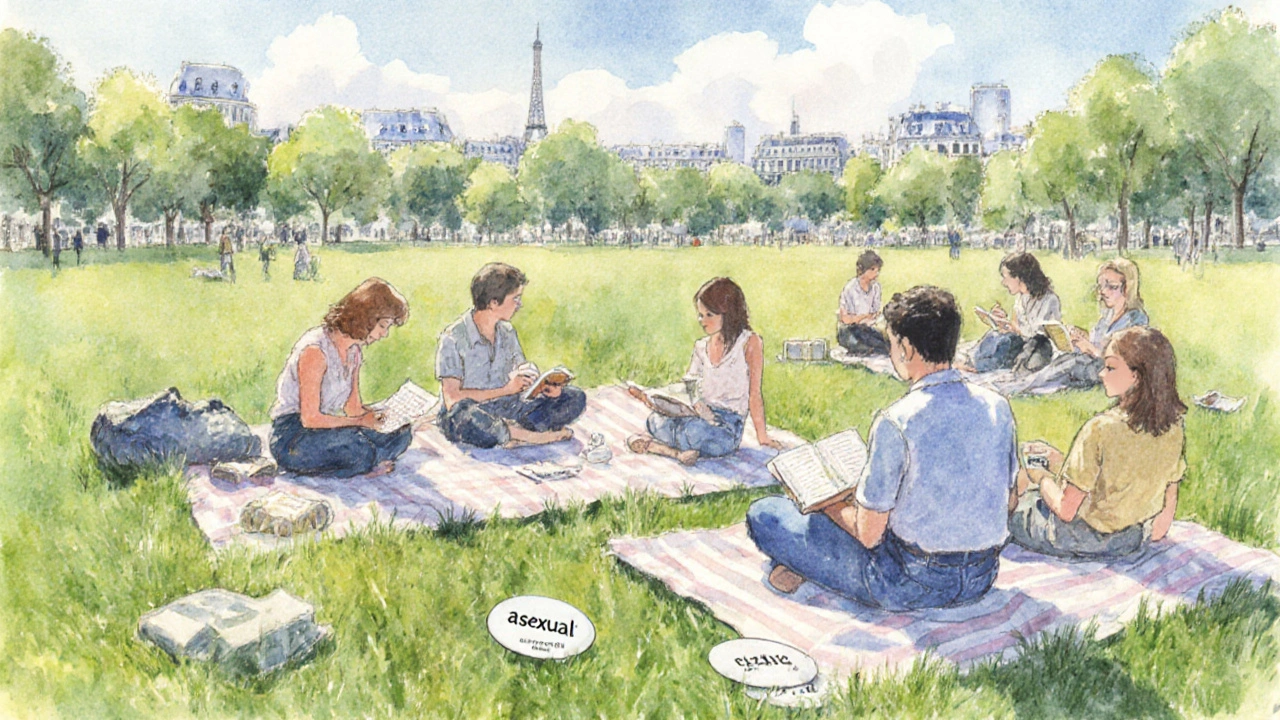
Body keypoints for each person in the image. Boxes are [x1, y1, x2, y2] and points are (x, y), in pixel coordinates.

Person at [746, 286, 1018, 610]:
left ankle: (803, 566)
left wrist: (826, 504)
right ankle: (805, 565)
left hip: (908, 583)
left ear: (905, 348)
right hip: (982, 577)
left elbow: (869, 535)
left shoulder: (898, 421)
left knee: (765, 514)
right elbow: (1010, 500)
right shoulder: (998, 407)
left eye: (891, 344)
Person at [1010, 327, 1185, 558]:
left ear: (1137, 376)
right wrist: (1060, 463)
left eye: (1111, 367)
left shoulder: (1100, 429)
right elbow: (1162, 515)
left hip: (1076, 537)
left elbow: (1066, 510)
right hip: (1130, 538)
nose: (1101, 374)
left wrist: (1040, 477)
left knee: (1022, 487)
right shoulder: (1173, 427)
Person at [626, 277, 783, 465]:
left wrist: (762, 437)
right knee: (655, 421)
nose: (702, 321)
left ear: (728, 313)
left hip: (727, 425)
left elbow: (755, 394)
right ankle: (680, 449)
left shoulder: (749, 342)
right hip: (697, 414)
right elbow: (690, 387)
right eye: (700, 315)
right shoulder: (701, 347)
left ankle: (666, 449)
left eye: (709, 315)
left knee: (694, 432)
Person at [268, 278, 413, 478]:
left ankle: (367, 461)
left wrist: (386, 415)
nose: (384, 334)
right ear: (367, 318)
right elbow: (310, 418)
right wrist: (362, 421)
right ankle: (367, 462)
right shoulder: (316, 350)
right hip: (294, 434)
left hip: (324, 429)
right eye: (383, 326)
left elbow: (353, 408)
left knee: (401, 434)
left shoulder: (354, 352)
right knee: (357, 448)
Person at [436, 263, 586, 449]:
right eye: (515, 298)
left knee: (574, 397)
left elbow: (520, 378)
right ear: (493, 302)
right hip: (474, 412)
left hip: (508, 407)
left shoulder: (507, 332)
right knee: (462, 415)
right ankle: (531, 436)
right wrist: (505, 390)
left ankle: (510, 432)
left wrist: (542, 388)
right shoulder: (453, 338)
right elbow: (452, 399)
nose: (519, 304)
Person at [1000, 257, 1149, 395]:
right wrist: (1080, 336)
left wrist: (1092, 350)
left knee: (1071, 363)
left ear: (1127, 288)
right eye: (1102, 285)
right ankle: (1023, 382)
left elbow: (1125, 362)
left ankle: (1019, 386)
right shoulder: (1108, 315)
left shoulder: (1135, 320)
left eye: (1112, 286)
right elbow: (1097, 340)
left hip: (1106, 369)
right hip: (1091, 361)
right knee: (1065, 360)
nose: (1103, 291)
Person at [968, 253, 1062, 373]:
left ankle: (979, 366)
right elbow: (1016, 323)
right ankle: (974, 361)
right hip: (1021, 341)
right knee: (994, 335)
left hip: (1036, 347)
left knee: (1008, 342)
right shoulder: (1021, 297)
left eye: (1005, 277)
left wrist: (1012, 328)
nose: (1003, 282)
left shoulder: (1049, 299)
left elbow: (1036, 334)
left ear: (1019, 277)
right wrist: (1002, 322)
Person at [835, 251, 889, 357]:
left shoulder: (875, 287)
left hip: (867, 328)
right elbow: (845, 319)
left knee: (885, 345)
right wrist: (863, 317)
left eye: (878, 270)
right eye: (873, 269)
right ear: (862, 270)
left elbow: (876, 313)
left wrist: (868, 319)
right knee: (862, 348)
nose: (876, 273)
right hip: (849, 330)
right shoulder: (850, 288)